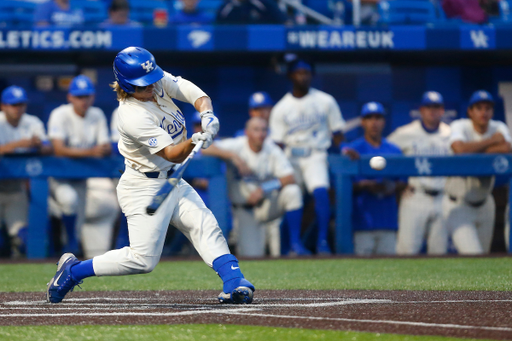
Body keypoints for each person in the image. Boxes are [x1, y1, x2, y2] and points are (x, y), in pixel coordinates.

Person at [46, 47, 255, 305]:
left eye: (152, 80)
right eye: (143, 85)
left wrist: (207, 114)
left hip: (171, 179)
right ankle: (73, 270)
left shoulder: (154, 80)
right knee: (143, 260)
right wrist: (194, 140)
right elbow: (172, 153)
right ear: (126, 84)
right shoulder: (131, 115)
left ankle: (234, 282)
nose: (151, 87)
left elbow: (193, 92)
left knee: (203, 222)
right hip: (143, 185)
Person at [203, 117, 310, 257]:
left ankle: (295, 244)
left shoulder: (271, 149)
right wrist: (233, 156)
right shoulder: (237, 145)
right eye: (256, 130)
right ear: (247, 132)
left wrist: (264, 188)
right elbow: (205, 147)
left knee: (292, 192)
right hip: (244, 211)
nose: (260, 134)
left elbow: (290, 178)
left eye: (264, 130)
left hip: (267, 204)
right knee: (251, 257)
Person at [269, 59, 346, 254]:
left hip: (315, 154)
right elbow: (277, 143)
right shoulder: (281, 107)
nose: (303, 76)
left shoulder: (325, 100)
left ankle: (322, 241)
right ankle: (295, 243)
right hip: (291, 156)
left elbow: (337, 132)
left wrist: (344, 148)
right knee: (292, 193)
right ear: (290, 75)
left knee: (320, 192)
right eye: (299, 72)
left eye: (307, 72)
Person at [47, 75, 112, 256]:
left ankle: (67, 253)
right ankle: (64, 246)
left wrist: (103, 149)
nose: (83, 100)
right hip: (59, 177)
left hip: (81, 178)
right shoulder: (59, 114)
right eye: (79, 96)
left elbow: (104, 146)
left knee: (78, 224)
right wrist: (92, 151)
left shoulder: (97, 114)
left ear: (93, 97)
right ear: (70, 97)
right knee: (69, 201)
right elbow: (58, 149)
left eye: (87, 96)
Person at [443, 90, 511, 254]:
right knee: (473, 255)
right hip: (458, 204)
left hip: (485, 203)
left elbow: (507, 148)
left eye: (487, 108)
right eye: (479, 108)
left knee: (482, 260)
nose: (484, 112)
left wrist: (473, 149)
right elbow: (459, 149)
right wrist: (491, 142)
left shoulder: (498, 126)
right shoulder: (459, 125)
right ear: (470, 111)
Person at [387, 91, 451, 255]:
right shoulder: (406, 133)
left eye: (436, 107)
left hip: (443, 197)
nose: (432, 111)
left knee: (439, 253)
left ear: (442, 110)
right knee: (407, 252)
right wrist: (398, 184)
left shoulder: (451, 134)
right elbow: (385, 153)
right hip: (416, 196)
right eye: (428, 107)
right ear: (421, 110)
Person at [343, 102, 403, 255]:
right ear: (362, 122)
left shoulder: (394, 150)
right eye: (369, 118)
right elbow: (343, 186)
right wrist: (364, 185)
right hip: (362, 222)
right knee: (362, 273)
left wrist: (391, 186)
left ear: (384, 121)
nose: (374, 122)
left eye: (378, 117)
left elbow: (403, 182)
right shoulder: (352, 150)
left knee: (388, 272)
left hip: (388, 221)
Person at [0, 86, 50, 257]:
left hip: (16, 188)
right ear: (3, 106)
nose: (18, 108)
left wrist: (38, 145)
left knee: (21, 241)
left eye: (21, 104)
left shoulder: (32, 122)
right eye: (13, 105)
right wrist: (18, 144)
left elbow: (48, 148)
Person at [216, 0, 287, 25]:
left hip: (263, 44)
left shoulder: (263, 3)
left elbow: (284, 21)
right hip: (233, 47)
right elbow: (216, 29)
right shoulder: (226, 7)